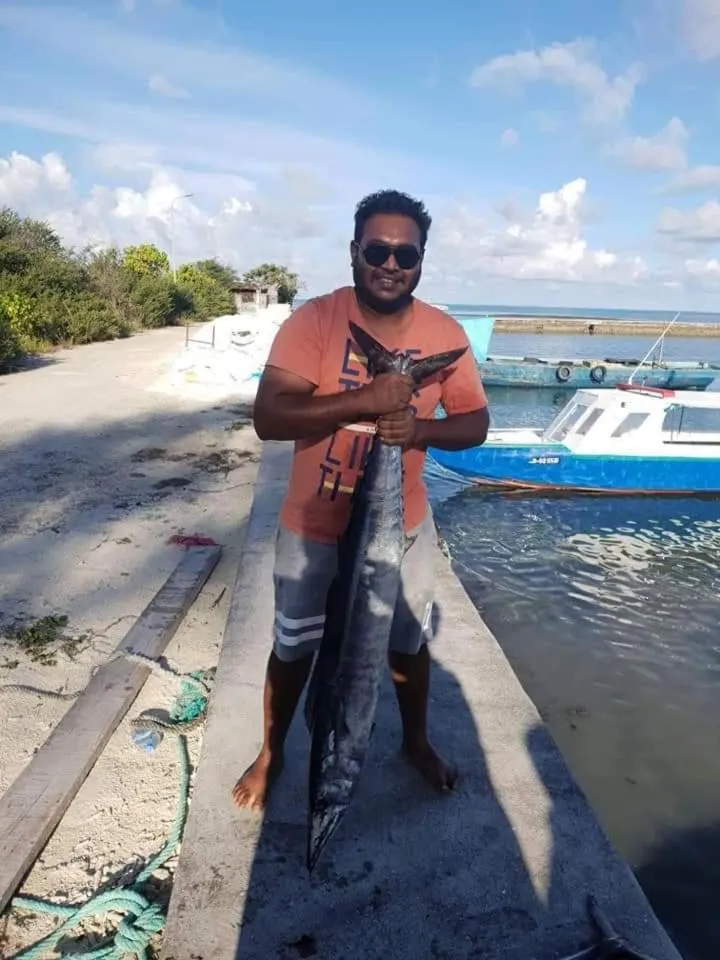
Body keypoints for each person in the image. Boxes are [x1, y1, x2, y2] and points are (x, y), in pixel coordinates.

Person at [232, 188, 490, 812]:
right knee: (294, 646)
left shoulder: (443, 332)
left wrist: (420, 429)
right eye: (378, 249)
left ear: (421, 259)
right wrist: (366, 401)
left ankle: (416, 741)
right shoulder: (314, 321)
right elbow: (270, 416)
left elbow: (475, 424)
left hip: (401, 527)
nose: (391, 264)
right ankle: (272, 750)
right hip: (311, 525)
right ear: (354, 251)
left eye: (406, 254)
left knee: (407, 642)